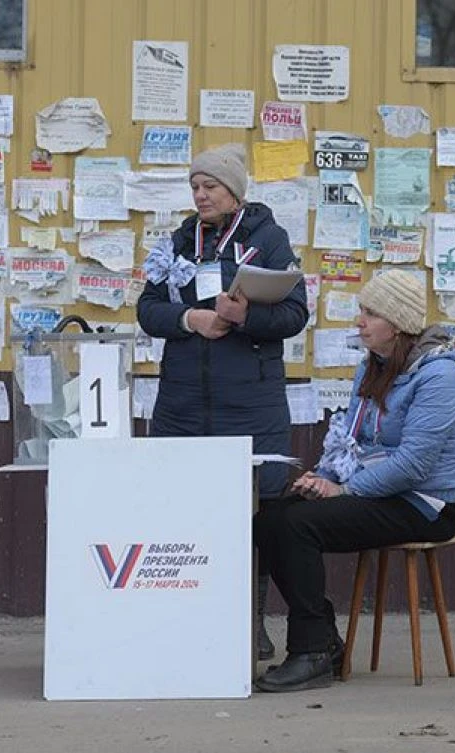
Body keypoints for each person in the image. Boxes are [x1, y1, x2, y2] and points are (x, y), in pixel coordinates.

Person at [252, 270, 455, 692]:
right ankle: (325, 642)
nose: (360, 321)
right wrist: (324, 475)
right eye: (361, 312)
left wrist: (345, 489)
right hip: (375, 491)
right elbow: (350, 438)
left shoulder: (440, 377)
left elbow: (413, 465)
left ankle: (311, 651)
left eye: (371, 313)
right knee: (273, 516)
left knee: (298, 526)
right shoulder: (372, 368)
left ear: (399, 323)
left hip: (425, 506)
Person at [137, 143, 308, 663]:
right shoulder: (178, 241)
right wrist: (192, 320)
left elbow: (294, 316)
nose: (201, 194)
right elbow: (147, 310)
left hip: (249, 404)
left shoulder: (269, 239)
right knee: (183, 513)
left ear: (234, 192)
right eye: (194, 186)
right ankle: (188, 618)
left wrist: (241, 319)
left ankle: (250, 623)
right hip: (183, 403)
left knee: (252, 515)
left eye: (210, 185)